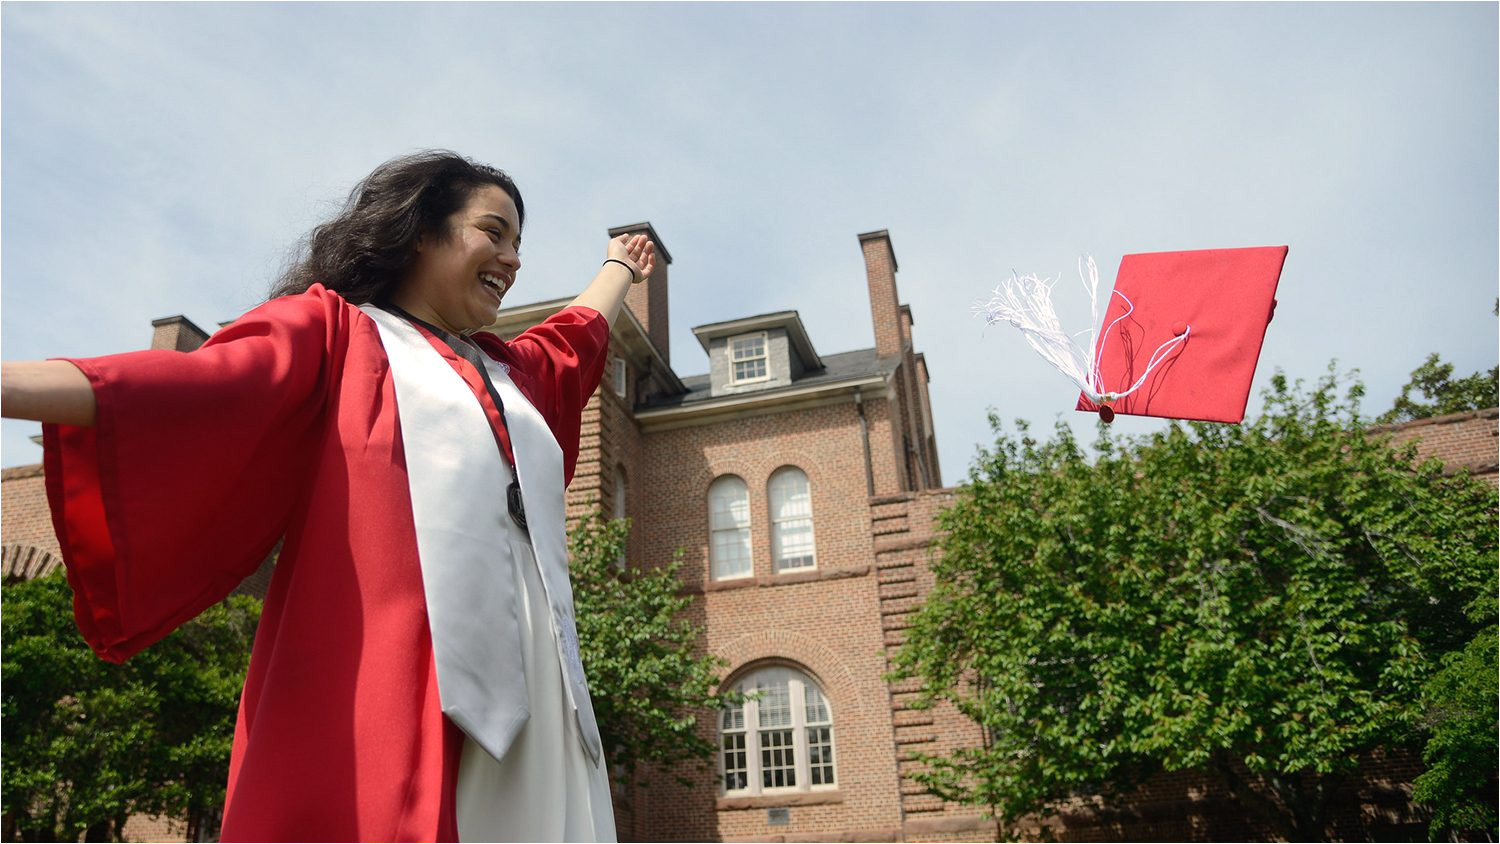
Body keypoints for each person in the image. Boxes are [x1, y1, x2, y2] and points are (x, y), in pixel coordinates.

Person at [0, 150, 655, 842]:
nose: (513, 257)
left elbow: (575, 337)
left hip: (537, 684)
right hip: (385, 676)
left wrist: (619, 265)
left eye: (520, 242)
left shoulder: (510, 372)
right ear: (421, 232)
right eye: (494, 232)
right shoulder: (341, 333)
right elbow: (198, 383)